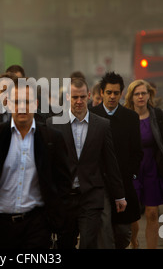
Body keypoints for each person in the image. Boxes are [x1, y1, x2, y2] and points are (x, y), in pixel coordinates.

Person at [0, 78, 72, 249]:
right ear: (7, 104)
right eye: (17, 102)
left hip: (36, 223)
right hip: (0, 224)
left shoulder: (51, 139)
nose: (22, 107)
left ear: (36, 104)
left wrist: (60, 220)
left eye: (27, 101)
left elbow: (62, 182)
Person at [47, 78, 126, 249]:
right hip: (64, 198)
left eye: (83, 97)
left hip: (91, 196)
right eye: (75, 97)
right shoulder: (53, 124)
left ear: (89, 96)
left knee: (89, 243)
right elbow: (48, 164)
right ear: (68, 97)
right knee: (64, 244)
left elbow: (110, 162)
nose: (79, 101)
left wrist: (119, 195)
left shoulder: (102, 125)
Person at [90, 72, 144, 249]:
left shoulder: (131, 118)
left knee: (123, 233)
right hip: (99, 183)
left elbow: (137, 151)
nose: (112, 96)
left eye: (116, 93)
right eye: (108, 92)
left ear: (121, 94)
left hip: (123, 182)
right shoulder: (91, 116)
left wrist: (129, 174)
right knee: (104, 230)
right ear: (102, 93)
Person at [124, 79, 163, 249]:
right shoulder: (125, 117)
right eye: (136, 94)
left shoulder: (157, 115)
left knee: (152, 213)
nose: (140, 97)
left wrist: (162, 154)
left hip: (152, 167)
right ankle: (134, 241)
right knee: (132, 215)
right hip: (133, 169)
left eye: (143, 93)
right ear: (131, 97)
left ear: (149, 95)